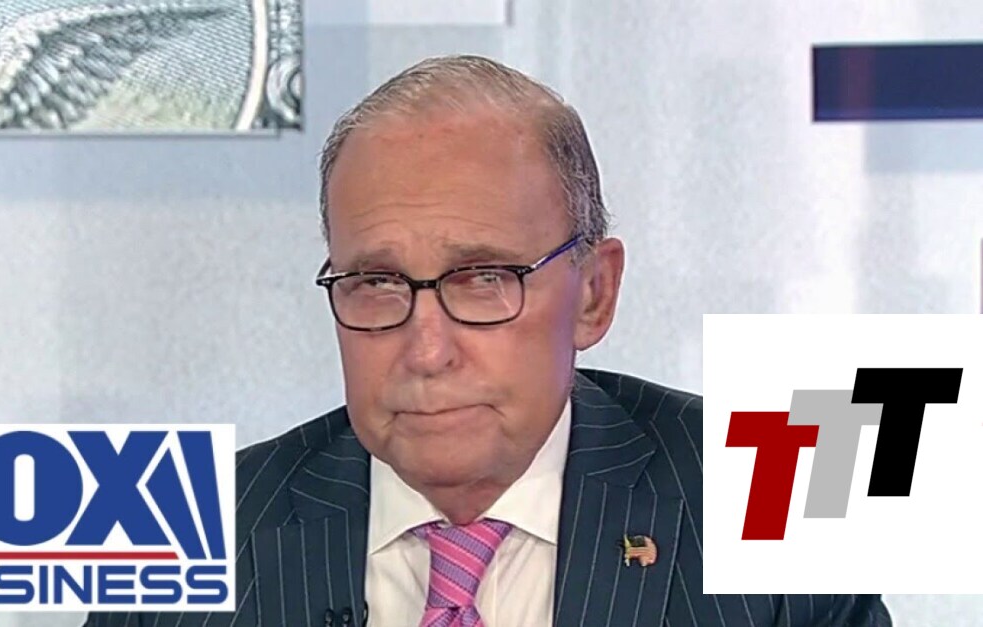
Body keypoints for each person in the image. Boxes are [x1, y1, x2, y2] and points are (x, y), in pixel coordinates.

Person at [85, 55, 891, 627]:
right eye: (377, 282)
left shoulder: (772, 506)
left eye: (482, 278)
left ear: (593, 293)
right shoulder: (181, 551)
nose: (425, 349)